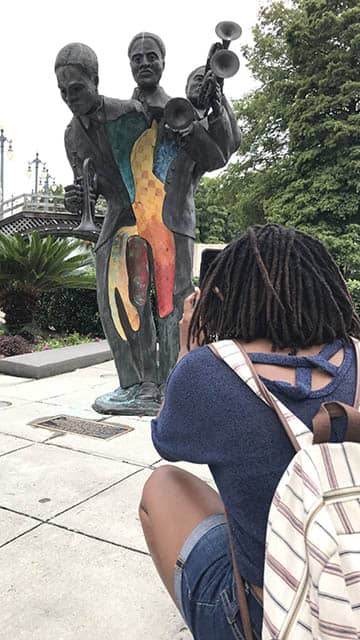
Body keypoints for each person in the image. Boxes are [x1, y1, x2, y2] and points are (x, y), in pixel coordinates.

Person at [139, 223, 360, 639]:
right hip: (349, 596)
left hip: (272, 616)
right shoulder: (357, 355)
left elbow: (165, 440)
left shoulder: (207, 370)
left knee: (163, 484)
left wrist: (187, 352)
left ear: (226, 294)